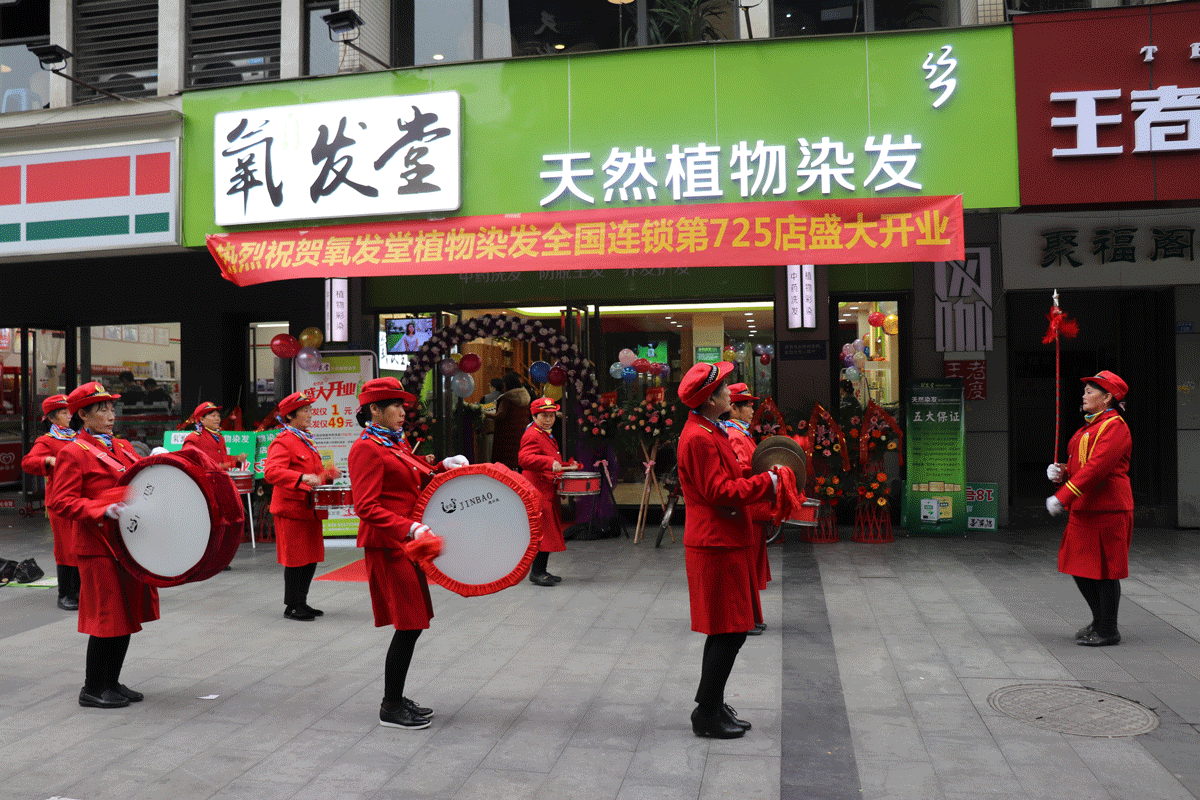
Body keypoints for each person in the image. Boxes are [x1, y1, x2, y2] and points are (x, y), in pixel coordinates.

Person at [348, 377, 469, 730]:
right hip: (389, 545)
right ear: (374, 410)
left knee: (414, 623)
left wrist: (441, 466)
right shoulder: (366, 448)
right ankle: (390, 706)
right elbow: (366, 506)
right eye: (395, 406)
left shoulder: (392, 442)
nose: (403, 412)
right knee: (409, 623)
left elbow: (409, 478)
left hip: (406, 545)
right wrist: (409, 527)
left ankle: (397, 698)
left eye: (403, 406)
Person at [676, 362, 777, 739]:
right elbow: (719, 492)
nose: (729, 394)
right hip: (715, 542)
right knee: (729, 630)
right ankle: (706, 712)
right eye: (723, 390)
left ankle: (713, 704)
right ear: (711, 400)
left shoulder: (706, 428)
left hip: (724, 539)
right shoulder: (700, 437)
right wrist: (766, 482)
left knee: (730, 630)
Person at [48, 382, 158, 709]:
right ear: (83, 414)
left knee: (124, 617)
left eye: (111, 409)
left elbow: (139, 478)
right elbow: (60, 501)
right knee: (106, 617)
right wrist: (99, 509)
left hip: (126, 544)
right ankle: (93, 687)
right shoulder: (72, 452)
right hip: (97, 545)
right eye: (102, 410)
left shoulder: (122, 446)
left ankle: (112, 681)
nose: (111, 415)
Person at [1046, 370, 1133, 647]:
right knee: (1079, 566)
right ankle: (1099, 620)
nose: (1084, 395)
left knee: (1105, 571)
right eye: (1085, 391)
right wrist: (1061, 470)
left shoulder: (1115, 427)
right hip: (1086, 508)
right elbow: (1081, 466)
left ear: (1107, 397)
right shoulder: (1089, 426)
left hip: (1108, 509)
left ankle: (1108, 628)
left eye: (1091, 391)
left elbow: (1096, 469)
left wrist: (1062, 496)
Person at [262, 391, 339, 621]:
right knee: (296, 558)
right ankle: (292, 605)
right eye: (305, 410)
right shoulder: (284, 440)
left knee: (311, 556)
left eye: (309, 410)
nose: (310, 414)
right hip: (292, 509)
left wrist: (328, 475)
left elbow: (313, 476)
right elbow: (271, 472)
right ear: (291, 416)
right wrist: (302, 479)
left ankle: (302, 601)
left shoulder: (305, 438)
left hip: (309, 508)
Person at [21, 394, 80, 610]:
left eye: (69, 411)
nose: (69, 415)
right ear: (53, 419)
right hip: (61, 501)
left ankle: (81, 591)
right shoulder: (47, 441)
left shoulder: (78, 437)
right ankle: (66, 594)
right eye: (64, 412)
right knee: (66, 547)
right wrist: (48, 459)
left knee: (81, 544)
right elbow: (28, 462)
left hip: (81, 498)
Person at [722, 382, 771, 634]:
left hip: (751, 504)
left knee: (748, 565)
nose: (752, 410)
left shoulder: (740, 433)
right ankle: (743, 619)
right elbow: (743, 470)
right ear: (733, 408)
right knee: (745, 566)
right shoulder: (735, 436)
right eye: (748, 405)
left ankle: (750, 616)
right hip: (748, 505)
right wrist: (770, 476)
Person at [518, 397, 579, 586]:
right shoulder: (532, 434)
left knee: (546, 531)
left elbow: (549, 459)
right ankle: (536, 573)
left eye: (551, 416)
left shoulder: (543, 433)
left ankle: (541, 571)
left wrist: (567, 465)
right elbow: (524, 459)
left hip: (545, 489)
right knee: (542, 532)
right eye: (544, 416)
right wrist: (548, 463)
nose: (548, 419)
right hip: (537, 490)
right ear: (534, 416)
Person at [490, 371, 531, 470]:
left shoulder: (507, 398)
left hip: (507, 435)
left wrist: (486, 414)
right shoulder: (526, 396)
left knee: (506, 463)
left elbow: (501, 415)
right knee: (519, 458)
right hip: (522, 432)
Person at [182, 401, 240, 468]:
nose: (217, 419)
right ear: (202, 419)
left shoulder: (219, 437)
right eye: (213, 416)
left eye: (218, 416)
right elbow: (186, 462)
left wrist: (237, 460)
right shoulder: (194, 438)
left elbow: (223, 459)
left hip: (221, 477)